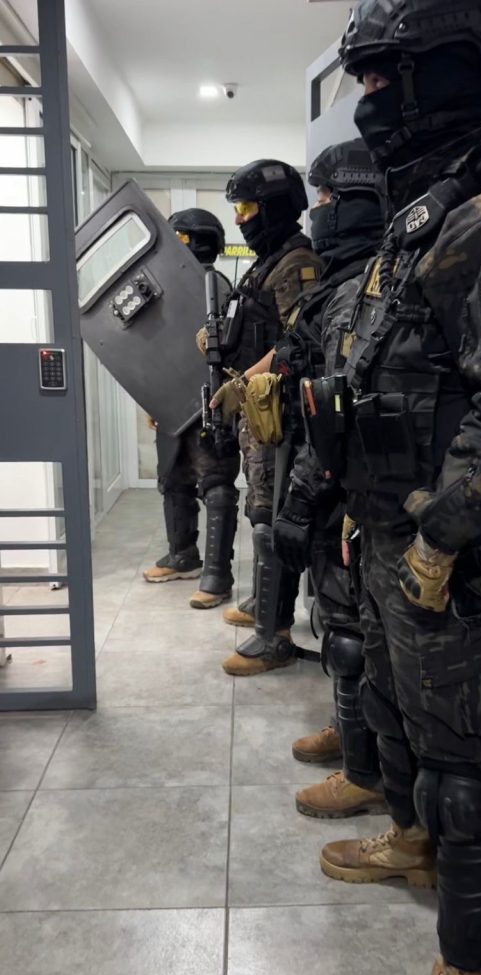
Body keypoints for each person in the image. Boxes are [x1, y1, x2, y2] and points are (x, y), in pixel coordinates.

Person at [307, 2, 481, 975]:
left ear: (448, 71)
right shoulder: (424, 215)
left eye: (385, 78)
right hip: (386, 526)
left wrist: (440, 534)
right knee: (391, 713)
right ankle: (410, 843)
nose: (369, 101)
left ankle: (467, 974)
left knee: (462, 770)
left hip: (447, 550)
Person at [272, 139, 387, 819]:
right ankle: (350, 733)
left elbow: (333, 407)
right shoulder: (343, 282)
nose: (316, 212)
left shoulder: (359, 288)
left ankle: (363, 772)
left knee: (348, 630)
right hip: (332, 479)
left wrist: (302, 498)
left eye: (323, 199)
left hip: (344, 485)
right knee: (337, 621)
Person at [202, 159, 322, 671]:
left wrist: (241, 382)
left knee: (271, 519)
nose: (239, 219)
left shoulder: (296, 262)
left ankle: (274, 636)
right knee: (259, 511)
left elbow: (300, 340)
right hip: (258, 412)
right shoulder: (268, 261)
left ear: (273, 207)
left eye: (247, 207)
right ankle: (262, 604)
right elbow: (256, 324)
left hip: (279, 415)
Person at [143, 209, 240, 600]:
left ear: (194, 241)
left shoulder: (216, 287)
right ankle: (182, 556)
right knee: (173, 479)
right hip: (171, 403)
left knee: (216, 485)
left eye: (178, 237)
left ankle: (217, 576)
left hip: (209, 401)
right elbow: (154, 347)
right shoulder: (164, 285)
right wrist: (153, 399)